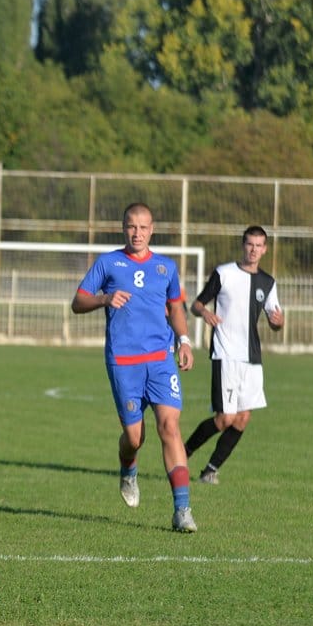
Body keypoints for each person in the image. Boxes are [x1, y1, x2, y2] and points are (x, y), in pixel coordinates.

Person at [72, 203, 197, 532]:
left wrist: (184, 340)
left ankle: (182, 510)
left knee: (169, 427)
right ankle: (128, 469)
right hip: (123, 362)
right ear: (123, 228)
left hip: (160, 359)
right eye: (131, 226)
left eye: (143, 227)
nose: (137, 233)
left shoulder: (166, 267)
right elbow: (78, 302)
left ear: (152, 229)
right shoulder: (107, 263)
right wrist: (104, 298)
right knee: (134, 437)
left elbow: (176, 308)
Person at [183, 225, 284, 485]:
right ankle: (183, 453)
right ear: (243, 245)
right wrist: (205, 312)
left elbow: (275, 321)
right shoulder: (224, 273)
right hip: (225, 354)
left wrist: (278, 322)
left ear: (265, 249)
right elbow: (196, 304)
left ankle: (210, 470)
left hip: (252, 358)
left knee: (242, 419)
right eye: (249, 244)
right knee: (224, 419)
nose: (253, 250)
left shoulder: (268, 283)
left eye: (258, 245)